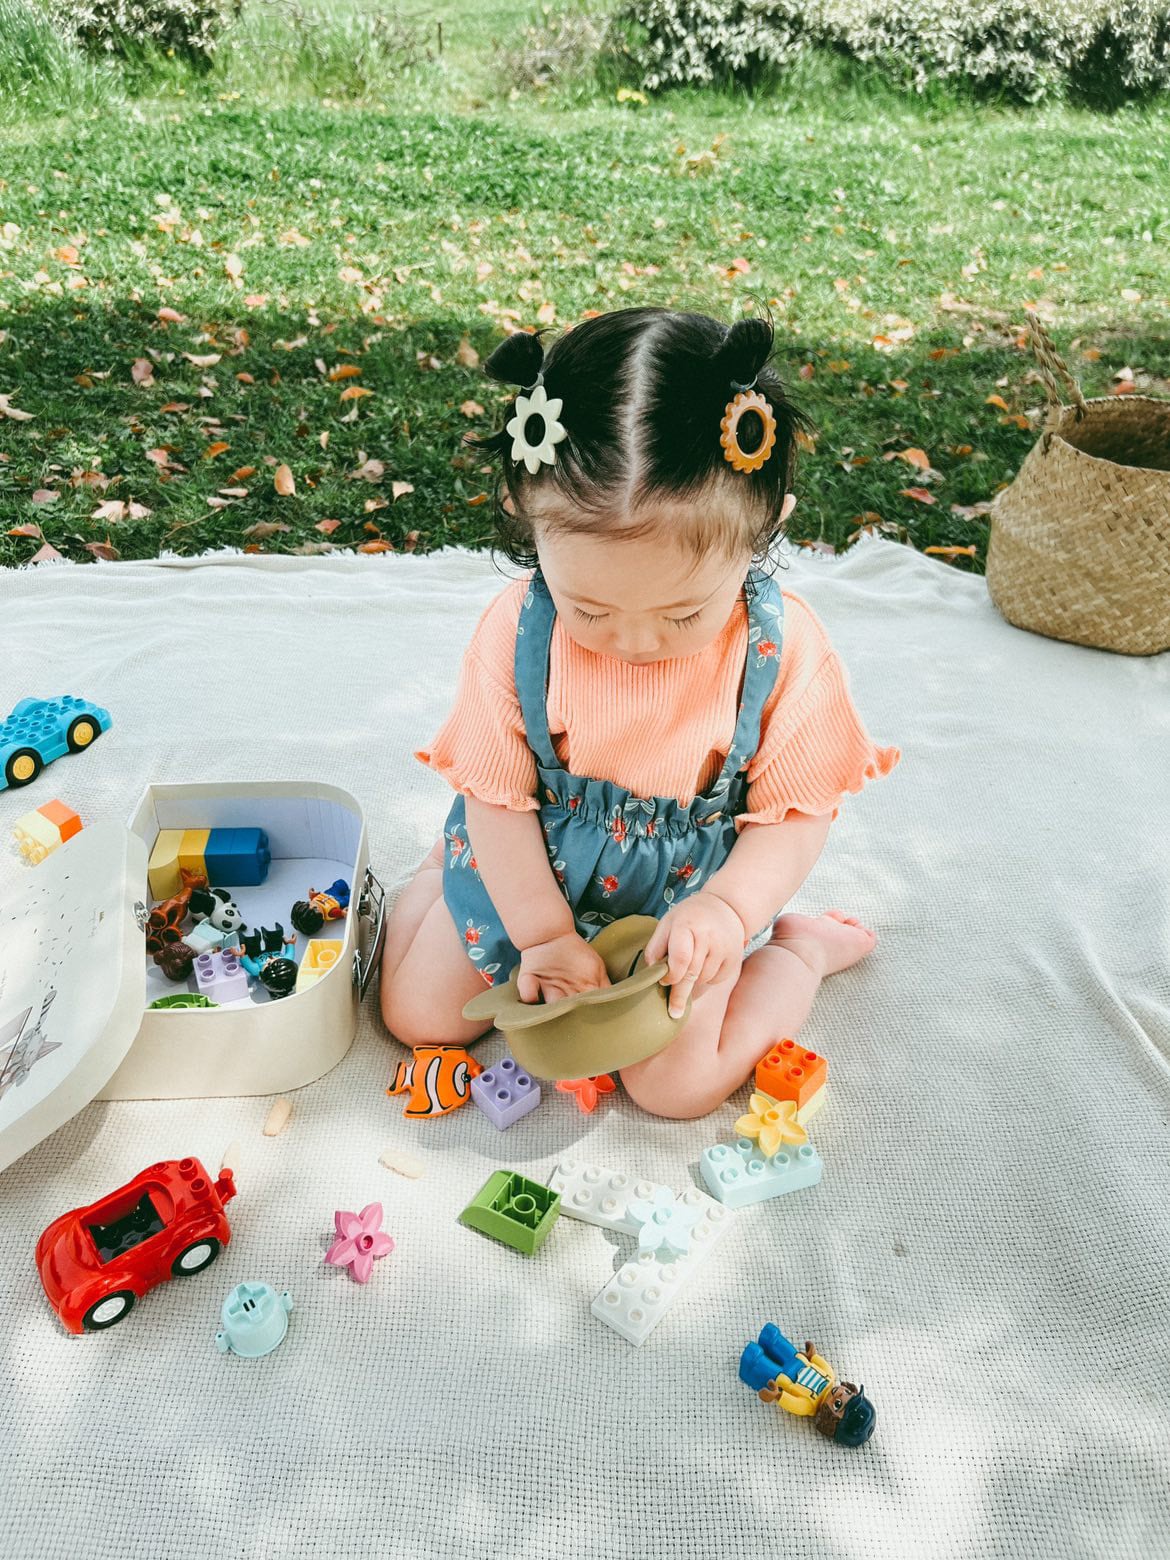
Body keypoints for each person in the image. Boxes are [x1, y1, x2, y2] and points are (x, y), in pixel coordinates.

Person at [380, 306, 899, 1118]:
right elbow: (496, 794)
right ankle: (435, 875)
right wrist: (544, 934)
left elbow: (796, 816)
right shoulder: (519, 629)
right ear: (527, 515)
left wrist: (728, 911)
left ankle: (798, 955)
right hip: (532, 871)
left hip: (682, 908)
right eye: (590, 608)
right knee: (416, 1018)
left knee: (675, 1090)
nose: (632, 642)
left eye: (684, 614)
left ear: (765, 528)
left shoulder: (781, 647)